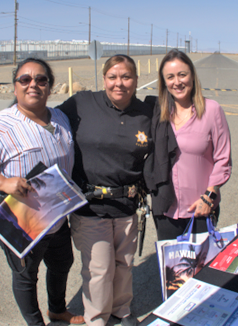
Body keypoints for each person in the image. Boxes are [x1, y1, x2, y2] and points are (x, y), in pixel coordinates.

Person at [0, 58, 84, 326]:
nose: (33, 85)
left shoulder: (60, 118)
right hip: (22, 220)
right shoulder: (2, 125)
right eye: (25, 80)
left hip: (56, 214)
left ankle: (57, 310)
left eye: (41, 80)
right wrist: (4, 183)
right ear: (14, 87)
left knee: (62, 263)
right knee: (26, 276)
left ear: (50, 87)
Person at [57, 54, 152, 326]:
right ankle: (97, 319)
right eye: (113, 77)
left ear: (135, 79)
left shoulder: (147, 113)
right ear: (104, 79)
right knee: (99, 268)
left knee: (124, 264)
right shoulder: (82, 103)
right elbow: (46, 120)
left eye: (126, 77)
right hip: (89, 205)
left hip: (127, 205)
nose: (119, 83)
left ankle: (121, 312)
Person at [148, 49, 232, 241]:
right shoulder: (158, 114)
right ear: (164, 82)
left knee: (200, 269)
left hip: (200, 209)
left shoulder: (211, 110)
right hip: (166, 210)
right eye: (170, 77)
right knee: (172, 269)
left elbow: (223, 159)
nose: (177, 82)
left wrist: (209, 197)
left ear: (192, 76)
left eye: (182, 74)